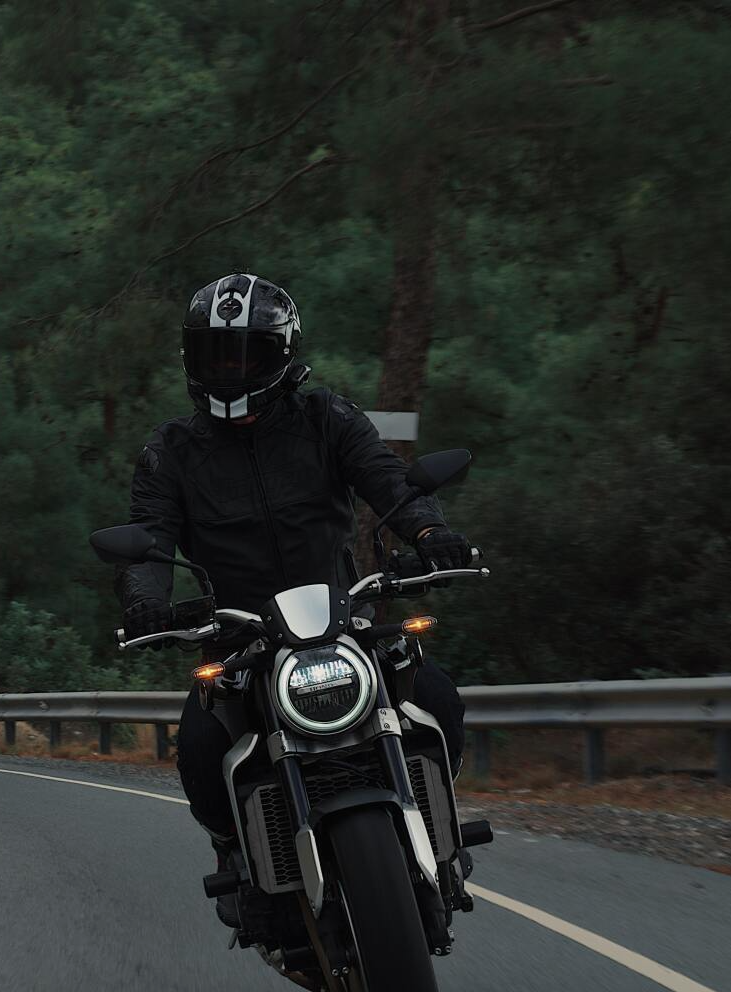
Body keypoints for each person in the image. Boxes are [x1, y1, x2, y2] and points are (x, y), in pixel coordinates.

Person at [115, 272, 472, 925]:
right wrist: (145, 599)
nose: (230, 369)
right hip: (238, 637)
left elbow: (388, 483)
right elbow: (148, 542)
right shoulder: (171, 452)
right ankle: (238, 854)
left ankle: (437, 836)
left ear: (279, 352)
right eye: (215, 354)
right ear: (192, 358)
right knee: (199, 745)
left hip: (339, 621)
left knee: (435, 695)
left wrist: (431, 534)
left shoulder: (328, 418)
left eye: (245, 352)